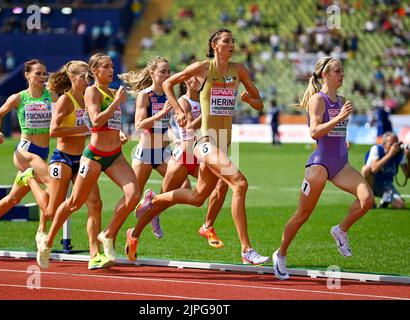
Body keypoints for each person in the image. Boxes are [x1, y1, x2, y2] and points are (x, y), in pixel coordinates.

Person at [125, 29, 270, 265]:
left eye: (233, 41)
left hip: (224, 143)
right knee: (240, 183)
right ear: (214, 45)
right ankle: (246, 250)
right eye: (226, 41)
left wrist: (249, 100)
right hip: (205, 142)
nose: (231, 44)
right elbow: (170, 83)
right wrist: (180, 111)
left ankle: (140, 224)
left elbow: (259, 103)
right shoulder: (203, 68)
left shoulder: (239, 70)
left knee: (196, 197)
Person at [272, 57, 375, 280]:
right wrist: (339, 118)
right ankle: (280, 254)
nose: (342, 74)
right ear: (325, 75)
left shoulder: (343, 100)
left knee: (367, 200)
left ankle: (341, 230)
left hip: (341, 164)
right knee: (302, 215)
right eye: (337, 70)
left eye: (343, 70)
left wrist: (343, 139)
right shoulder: (317, 100)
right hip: (319, 165)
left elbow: (337, 132)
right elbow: (314, 132)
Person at [36, 53, 140, 269]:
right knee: (73, 203)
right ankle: (47, 240)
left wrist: (120, 132)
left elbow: (110, 122)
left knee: (133, 195)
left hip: (115, 156)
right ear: (95, 71)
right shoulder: (92, 92)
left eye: (112, 66)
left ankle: (107, 236)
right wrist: (115, 105)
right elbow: (95, 121)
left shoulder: (112, 92)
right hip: (92, 156)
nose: (111, 70)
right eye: (105, 67)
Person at [0, 59, 56, 248]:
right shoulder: (19, 97)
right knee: (51, 184)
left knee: (14, 198)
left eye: (44, 73)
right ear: (27, 75)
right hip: (25, 151)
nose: (42, 76)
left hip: (42, 152)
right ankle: (41, 231)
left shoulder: (51, 96)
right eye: (37, 73)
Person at [44, 60, 108, 269]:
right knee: (53, 208)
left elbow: (97, 123)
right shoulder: (65, 100)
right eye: (82, 76)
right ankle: (46, 240)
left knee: (95, 204)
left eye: (88, 76)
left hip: (83, 158)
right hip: (62, 158)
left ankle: (94, 253)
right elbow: (53, 131)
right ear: (72, 78)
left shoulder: (90, 98)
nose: (86, 80)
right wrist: (80, 131)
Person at [163, 78, 228, 248]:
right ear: (185, 83)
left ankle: (207, 226)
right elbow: (190, 126)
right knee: (163, 199)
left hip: (202, 154)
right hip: (185, 155)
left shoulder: (204, 100)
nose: (198, 79)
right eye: (193, 77)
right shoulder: (183, 102)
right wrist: (208, 111)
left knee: (222, 182)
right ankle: (137, 228)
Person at [118, 56, 176, 239]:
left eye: (169, 71)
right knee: (132, 197)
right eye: (163, 71)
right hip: (146, 153)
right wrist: (162, 113)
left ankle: (153, 208)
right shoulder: (145, 95)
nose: (167, 75)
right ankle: (109, 234)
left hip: (164, 151)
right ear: (152, 73)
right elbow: (139, 124)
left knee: (183, 187)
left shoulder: (170, 93)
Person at [362, 132, 409, 209]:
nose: (395, 147)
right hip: (372, 184)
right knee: (366, 170)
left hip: (387, 187)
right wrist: (390, 154)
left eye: (396, 144)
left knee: (400, 205)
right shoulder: (376, 149)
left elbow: (408, 175)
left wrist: (408, 157)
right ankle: (371, 202)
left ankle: (385, 200)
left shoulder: (399, 154)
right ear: (384, 145)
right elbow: (374, 169)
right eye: (391, 144)